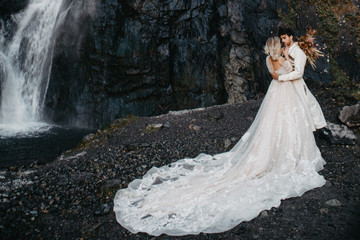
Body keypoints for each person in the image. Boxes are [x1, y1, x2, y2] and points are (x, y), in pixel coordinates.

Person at [113, 36, 327, 236]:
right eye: (280, 43)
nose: (283, 44)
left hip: (276, 94)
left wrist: (286, 58)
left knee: (269, 126)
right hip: (285, 94)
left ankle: (272, 151)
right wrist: (290, 61)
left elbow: (275, 75)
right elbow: (291, 74)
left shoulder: (269, 61)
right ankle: (286, 153)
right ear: (277, 47)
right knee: (284, 124)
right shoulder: (281, 60)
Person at [272, 27, 327, 131]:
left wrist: (281, 77)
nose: (283, 41)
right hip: (286, 84)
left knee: (302, 106)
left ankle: (306, 130)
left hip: (296, 84)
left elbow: (298, 73)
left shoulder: (299, 52)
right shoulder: (284, 50)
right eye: (281, 39)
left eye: (284, 38)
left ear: (291, 37)